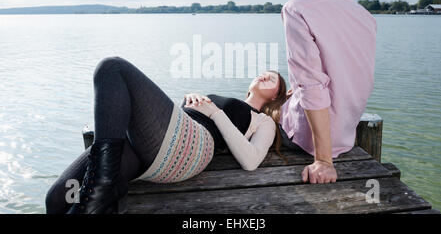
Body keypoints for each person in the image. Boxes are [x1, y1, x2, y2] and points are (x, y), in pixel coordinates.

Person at [45, 56, 287, 214]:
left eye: (273, 77)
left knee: (112, 68)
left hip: (194, 147)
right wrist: (187, 104)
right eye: (263, 72)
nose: (265, 75)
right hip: (153, 146)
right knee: (58, 199)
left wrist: (215, 113)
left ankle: (101, 187)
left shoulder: (263, 121)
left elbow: (251, 160)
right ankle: (103, 192)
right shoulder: (222, 98)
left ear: (276, 95)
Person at [277, 0, 377, 184]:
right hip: (346, 135)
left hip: (309, 141)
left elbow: (312, 86)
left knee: (263, 106)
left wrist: (323, 161)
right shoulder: (362, 14)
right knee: (287, 92)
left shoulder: (296, 9)